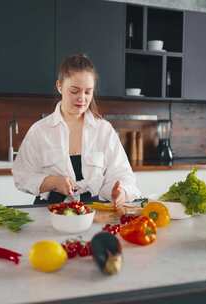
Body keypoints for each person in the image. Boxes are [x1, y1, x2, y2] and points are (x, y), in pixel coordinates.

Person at [12, 54, 141, 207]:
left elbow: (122, 174)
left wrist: (121, 193)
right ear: (59, 86)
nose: (82, 98)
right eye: (74, 91)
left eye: (88, 92)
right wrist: (52, 182)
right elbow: (22, 176)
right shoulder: (40, 131)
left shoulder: (104, 130)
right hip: (48, 211)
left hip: (93, 211)